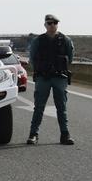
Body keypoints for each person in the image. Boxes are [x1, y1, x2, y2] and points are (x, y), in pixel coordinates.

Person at [27, 14, 75, 145]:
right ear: (45, 25)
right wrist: (41, 70)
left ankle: (65, 134)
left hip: (59, 77)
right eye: (49, 23)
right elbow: (32, 58)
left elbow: (70, 58)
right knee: (39, 107)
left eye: (55, 22)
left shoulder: (65, 40)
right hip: (43, 77)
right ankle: (33, 134)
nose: (52, 25)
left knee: (62, 107)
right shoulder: (38, 40)